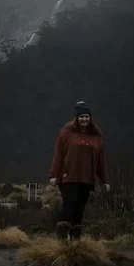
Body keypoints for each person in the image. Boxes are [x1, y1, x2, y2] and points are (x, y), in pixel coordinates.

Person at [49, 101, 110, 240]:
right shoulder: (66, 134)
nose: (84, 119)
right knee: (69, 205)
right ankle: (62, 241)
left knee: (79, 209)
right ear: (77, 118)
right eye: (81, 116)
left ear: (90, 118)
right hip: (68, 177)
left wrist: (105, 180)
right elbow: (59, 155)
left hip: (87, 179)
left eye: (87, 116)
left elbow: (101, 161)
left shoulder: (96, 138)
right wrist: (53, 175)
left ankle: (76, 242)